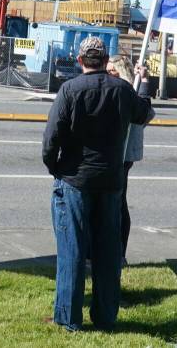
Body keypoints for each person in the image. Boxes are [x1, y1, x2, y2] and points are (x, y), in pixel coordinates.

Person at [42, 36, 153, 332]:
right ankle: (105, 316)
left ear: (80, 61)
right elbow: (145, 114)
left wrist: (55, 167)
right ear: (105, 61)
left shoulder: (69, 90)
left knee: (72, 251)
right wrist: (142, 87)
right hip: (110, 180)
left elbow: (51, 138)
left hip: (75, 179)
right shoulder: (121, 90)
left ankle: (68, 317)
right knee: (107, 253)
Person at [106, 54, 155, 265]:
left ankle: (119, 253)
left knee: (117, 202)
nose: (107, 74)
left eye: (112, 71)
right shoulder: (115, 89)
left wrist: (143, 81)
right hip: (110, 153)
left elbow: (146, 113)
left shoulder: (126, 91)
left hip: (122, 155)